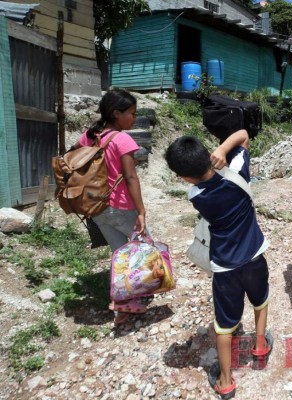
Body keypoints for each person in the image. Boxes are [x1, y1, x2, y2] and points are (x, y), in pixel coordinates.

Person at [165, 130, 272, 400]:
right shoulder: (237, 172)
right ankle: (259, 346)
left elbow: (200, 180)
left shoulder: (195, 194)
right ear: (207, 155)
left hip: (226, 268)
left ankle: (225, 381)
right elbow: (244, 136)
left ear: (185, 177)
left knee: (225, 325)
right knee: (260, 301)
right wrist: (224, 149)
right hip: (255, 255)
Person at [71, 89, 147, 324]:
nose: (134, 119)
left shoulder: (89, 136)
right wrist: (141, 211)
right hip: (122, 206)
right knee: (143, 250)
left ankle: (123, 304)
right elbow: (131, 177)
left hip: (97, 208)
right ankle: (129, 297)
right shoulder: (123, 139)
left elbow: (73, 156)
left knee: (119, 254)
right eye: (131, 114)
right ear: (116, 113)